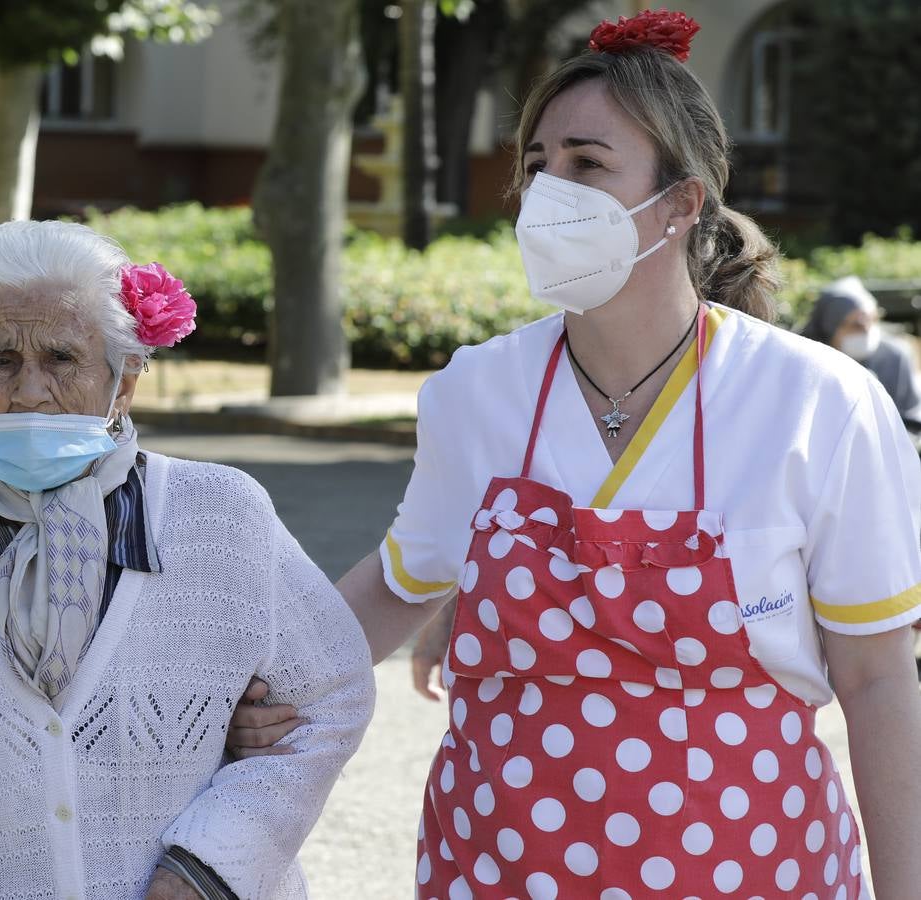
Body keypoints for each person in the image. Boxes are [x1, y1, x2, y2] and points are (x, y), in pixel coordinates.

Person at [228, 9, 921, 897]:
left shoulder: (815, 402)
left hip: (753, 870)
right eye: (537, 165)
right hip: (499, 867)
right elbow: (402, 583)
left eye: (588, 163)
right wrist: (255, 686)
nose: (550, 190)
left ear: (679, 204)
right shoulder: (479, 391)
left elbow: (874, 679)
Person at [0, 220, 375, 900]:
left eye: (60, 358)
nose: (27, 390)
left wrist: (206, 867)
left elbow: (330, 697)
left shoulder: (219, 516)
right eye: (2, 360)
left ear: (124, 381)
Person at [803, 274, 921, 436]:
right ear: (830, 326)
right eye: (856, 325)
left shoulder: (894, 356)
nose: (866, 330)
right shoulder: (807, 358)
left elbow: (911, 418)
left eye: (871, 320)